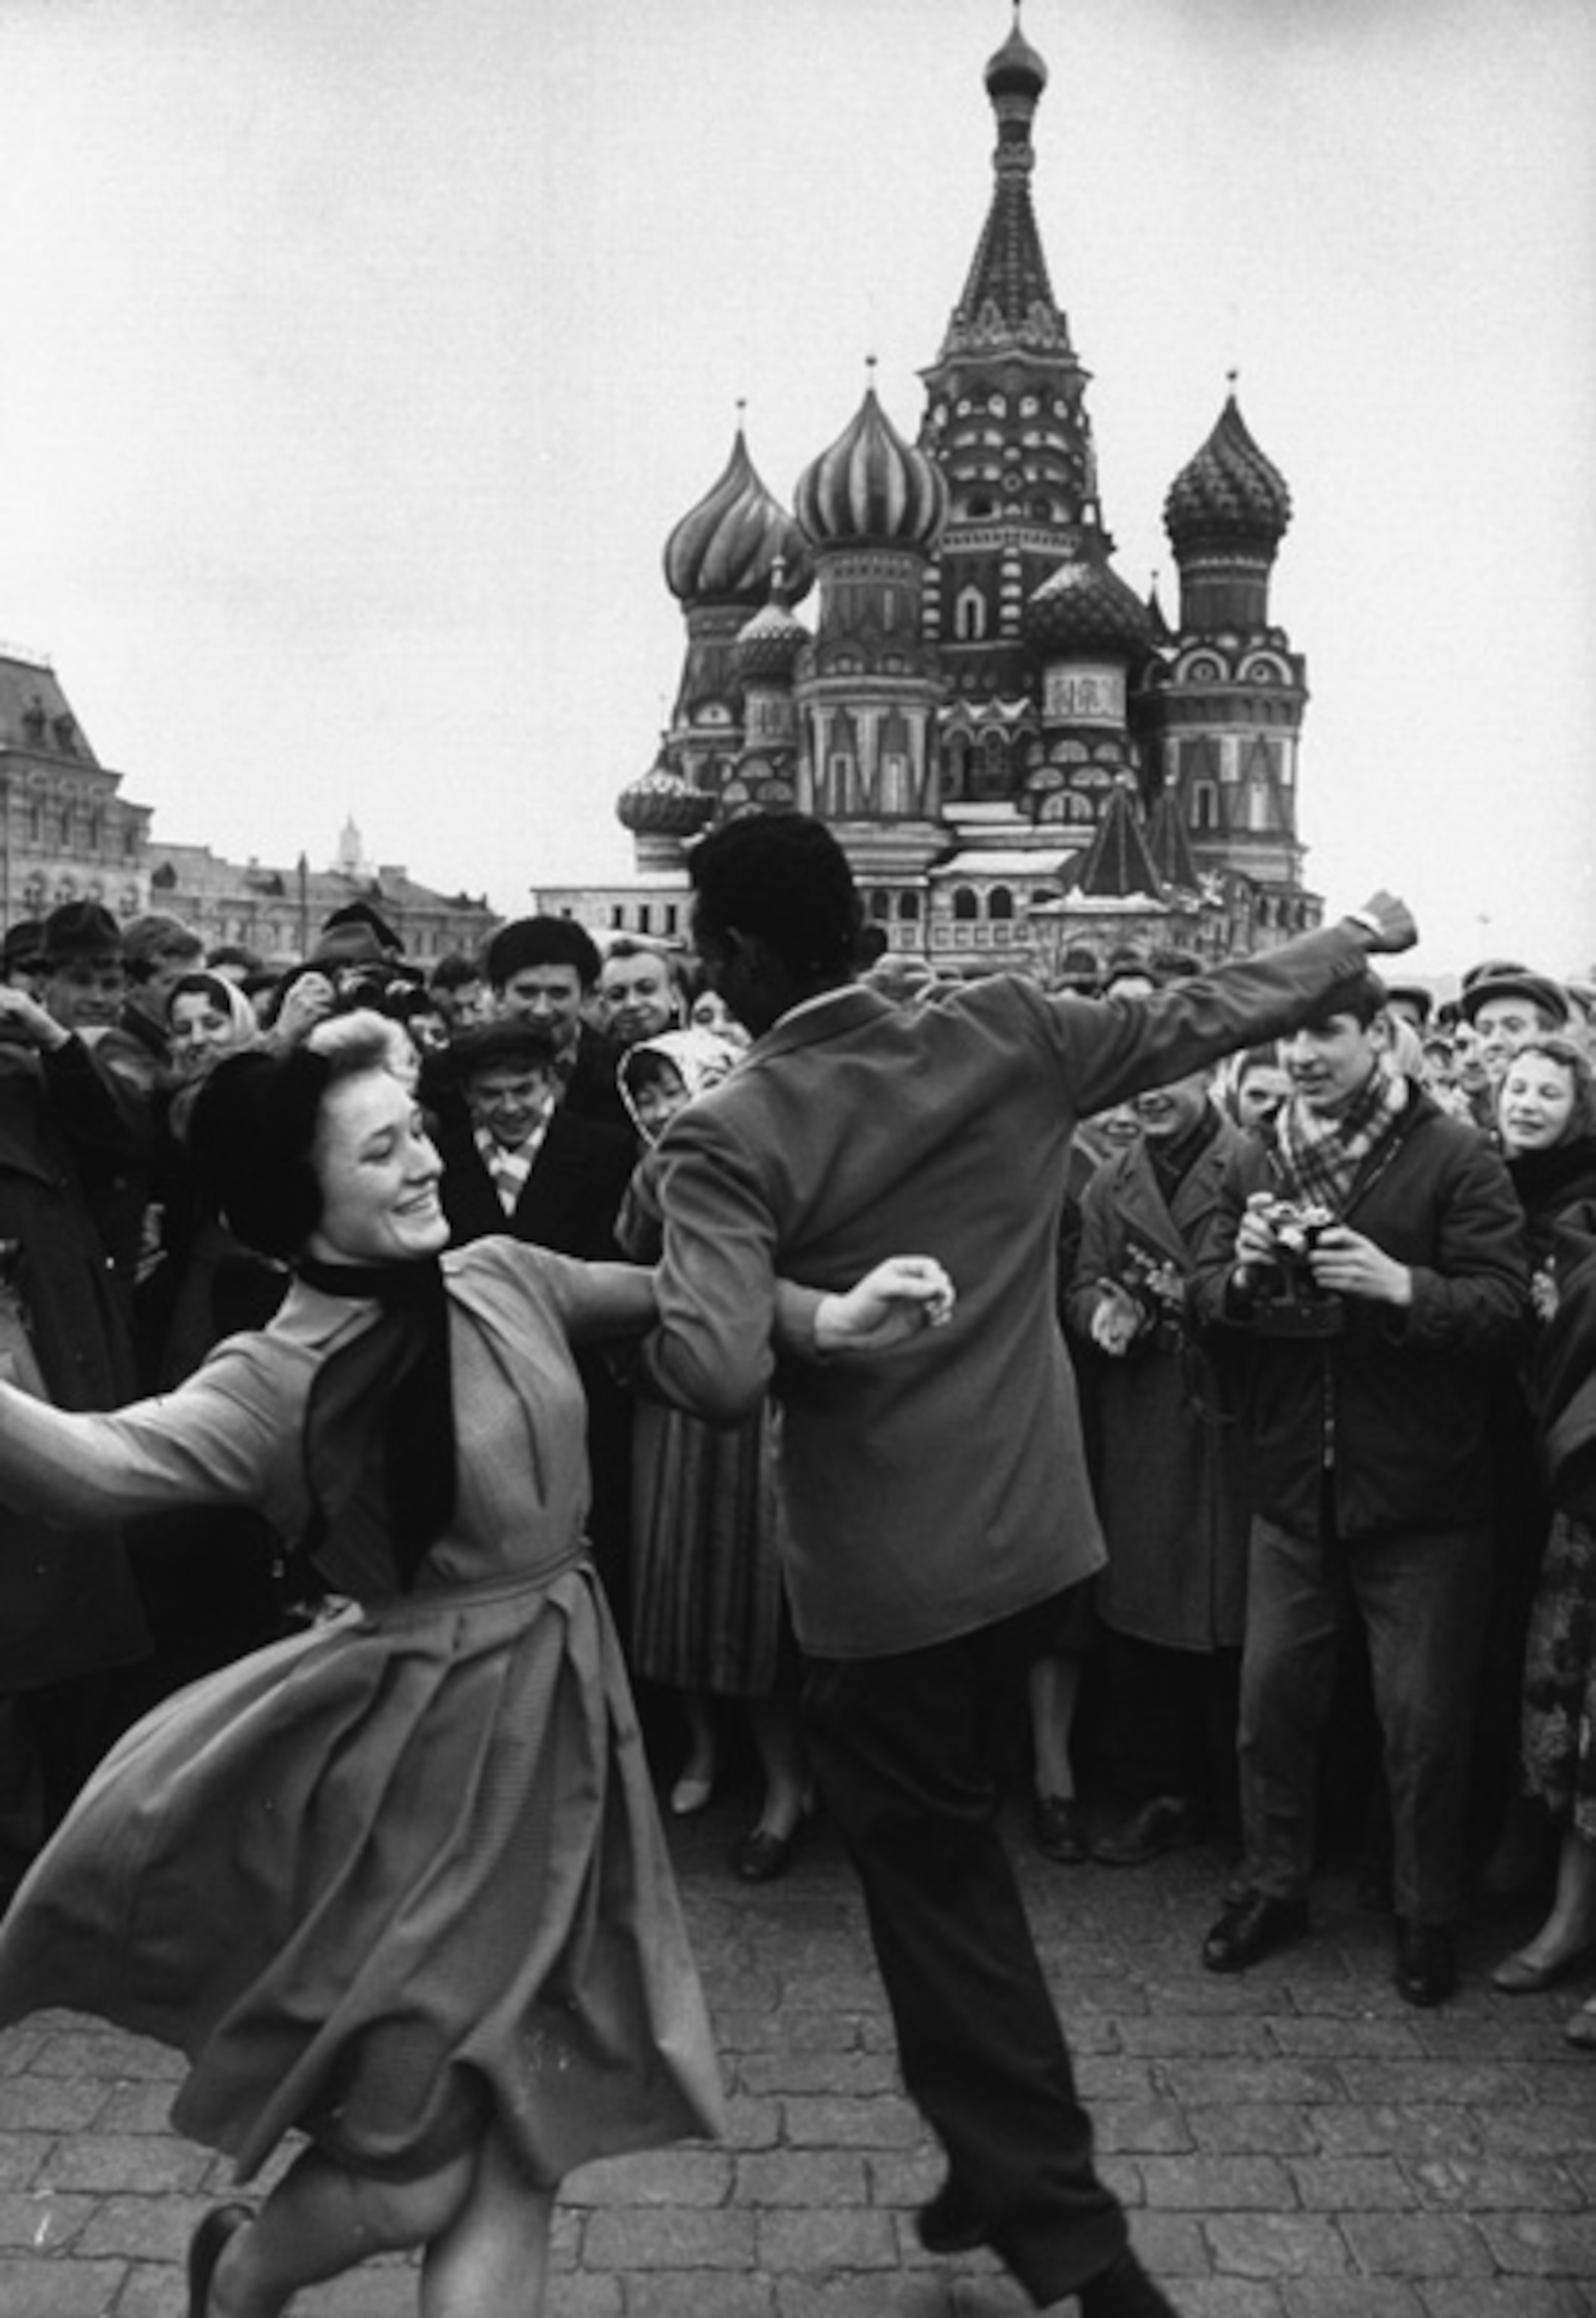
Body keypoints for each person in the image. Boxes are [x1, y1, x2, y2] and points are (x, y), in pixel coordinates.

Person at [0, 1010, 952, 2318]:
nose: (426, 1161)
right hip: (420, 1780)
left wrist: (829, 1319)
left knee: (523, 2140)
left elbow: (679, 1298)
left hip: (564, 1723)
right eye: (384, 1148)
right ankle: (243, 2277)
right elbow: (102, 1470)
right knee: (412, 2166)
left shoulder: (504, 1273)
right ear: (300, 1197)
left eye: (418, 1134)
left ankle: (241, 2277)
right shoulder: (269, 1379)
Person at [638, 809, 1418, 2318]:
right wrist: (1355, 938)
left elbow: (715, 1371)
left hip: (883, 1597)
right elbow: (1203, 1007)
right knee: (938, 1879)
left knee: (939, 1898)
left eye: (697, 939)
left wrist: (755, 1293)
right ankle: (982, 2168)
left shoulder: (728, 1133)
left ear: (733, 954)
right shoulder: (1002, 1029)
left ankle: (1070, 2236)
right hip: (1041, 1547)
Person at [1192, 971, 1529, 2008]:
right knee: (1269, 1710)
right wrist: (1241, 1279)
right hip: (1293, 1482)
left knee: (1421, 1725)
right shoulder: (1250, 1151)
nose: (1299, 1056)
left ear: (1375, 1036)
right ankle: (1271, 1885)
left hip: (1421, 1493)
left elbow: (1504, 1307)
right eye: (1285, 1038)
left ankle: (1424, 1914)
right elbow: (1206, 1296)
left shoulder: (1452, 1153)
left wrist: (1399, 1288)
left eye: (1322, 1035)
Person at [618, 1028, 811, 1877]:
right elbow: (628, 1251)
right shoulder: (650, 1168)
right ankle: (703, 1749)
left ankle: (783, 1787)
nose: (664, 1110)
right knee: (678, 1586)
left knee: (751, 1599)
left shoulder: (770, 1160)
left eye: (679, 1088)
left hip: (750, 1396)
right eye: (649, 1094)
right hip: (675, 1405)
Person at [1066, 1062, 1250, 1868]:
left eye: (1172, 1077)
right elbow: (1079, 1283)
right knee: (1145, 1611)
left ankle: (1239, 1797)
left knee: (1237, 1615)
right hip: (1143, 1411)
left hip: (1232, 1415)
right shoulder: (1111, 1179)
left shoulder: (1253, 1162)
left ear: (1210, 1075)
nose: (1152, 1095)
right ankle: (1162, 1791)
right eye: (1140, 1079)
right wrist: (1102, 1310)